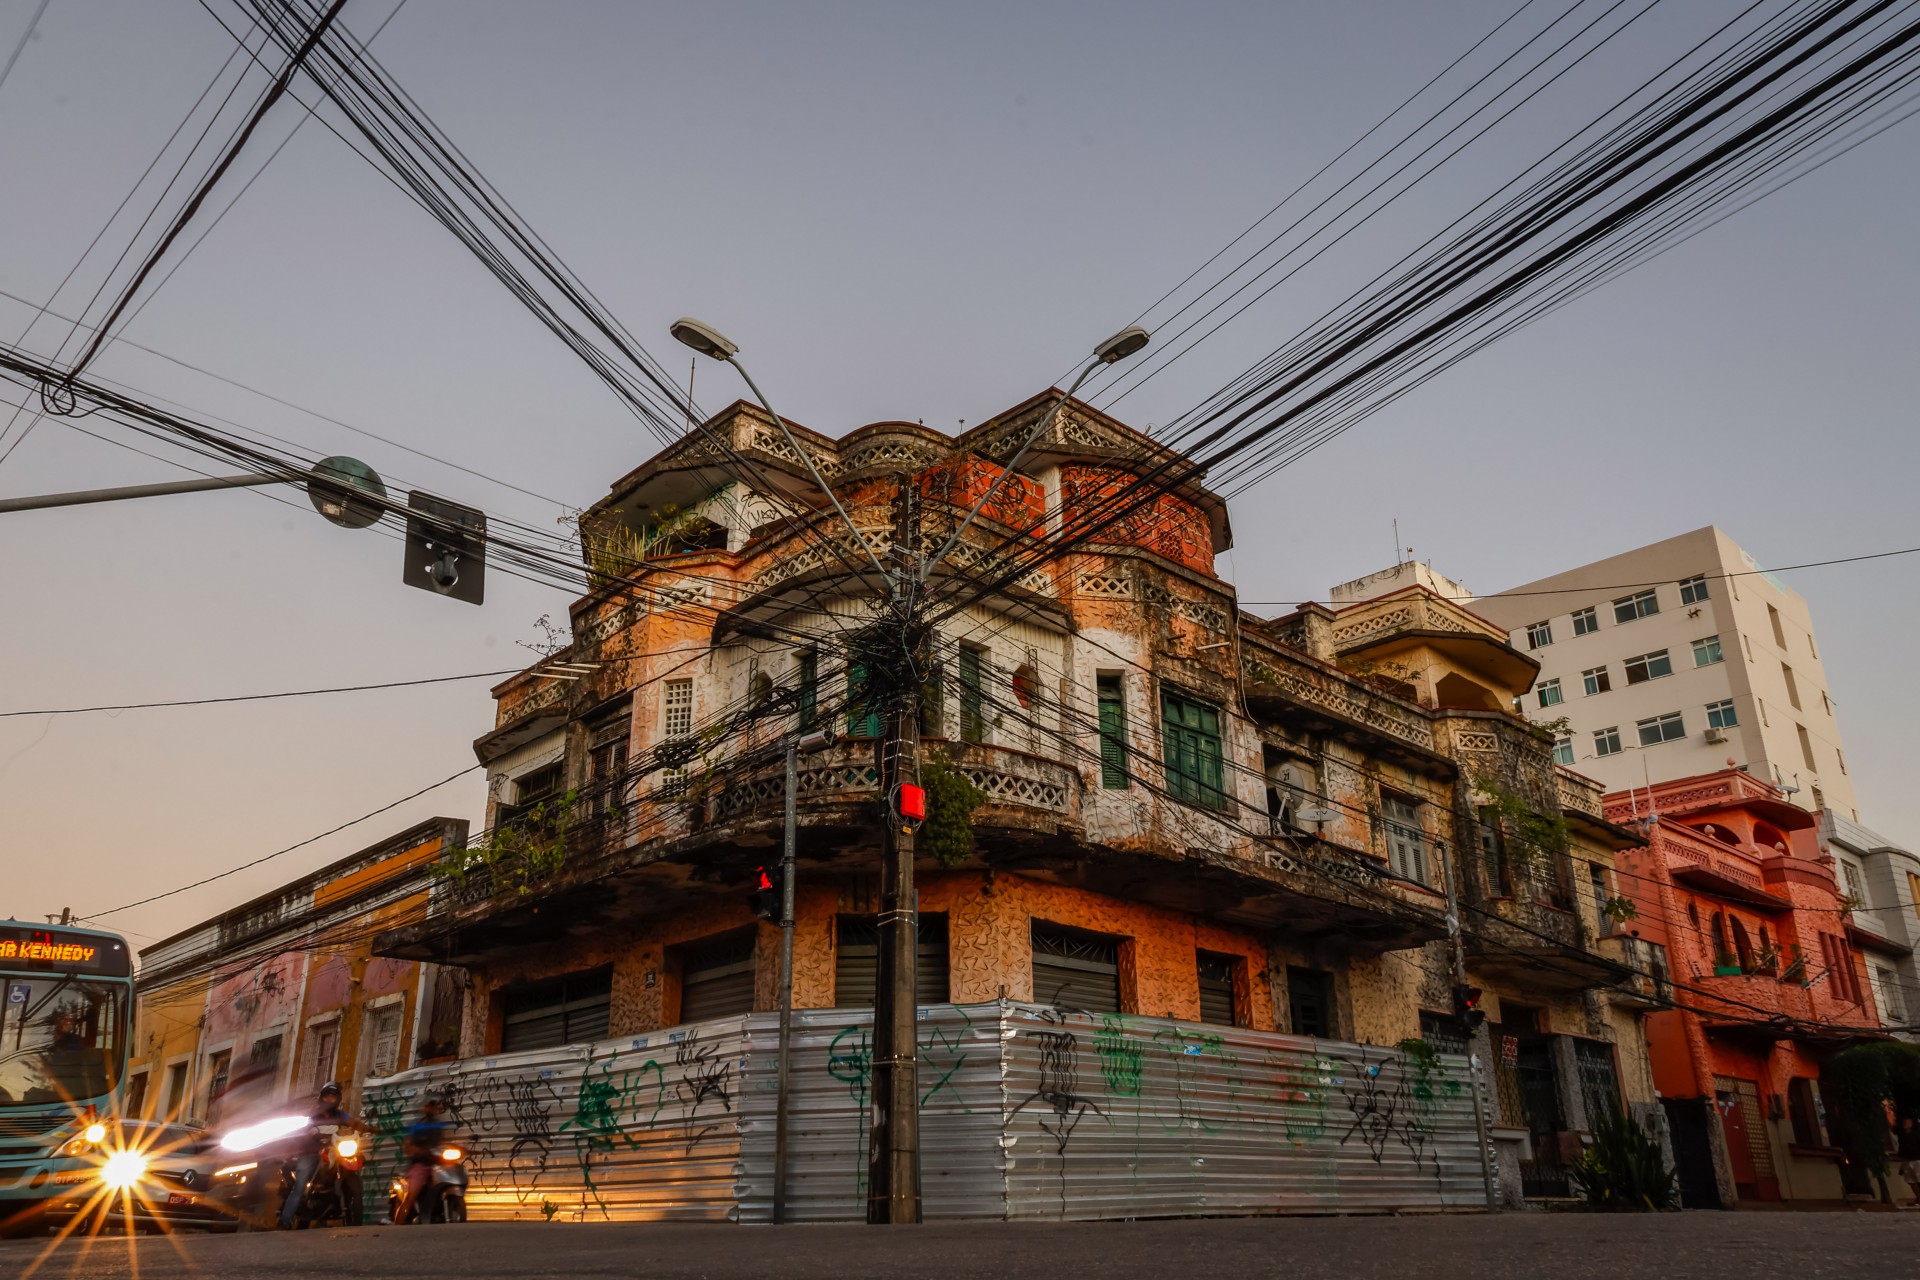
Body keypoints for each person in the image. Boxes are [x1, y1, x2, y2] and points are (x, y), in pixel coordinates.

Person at [278, 1081, 357, 1229]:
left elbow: (355, 1124)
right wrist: (308, 1136)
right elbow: (300, 1131)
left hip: (334, 1151)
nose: (329, 1100)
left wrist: (370, 1128)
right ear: (321, 1098)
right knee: (300, 1187)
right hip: (311, 1153)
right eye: (327, 1097)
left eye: (333, 1097)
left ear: (338, 1099)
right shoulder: (311, 1115)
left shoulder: (341, 1115)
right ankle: (285, 1221)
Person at [393, 1091, 453, 1224]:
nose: (433, 1108)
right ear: (425, 1107)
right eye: (431, 1105)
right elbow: (408, 1145)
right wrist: (416, 1150)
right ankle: (397, 1225)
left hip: (438, 1165)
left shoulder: (439, 1125)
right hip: (420, 1164)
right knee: (411, 1195)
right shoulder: (416, 1125)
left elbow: (444, 1143)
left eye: (435, 1106)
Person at [1897, 1115, 1920, 1205]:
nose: (1905, 1124)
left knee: (1918, 1180)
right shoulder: (1903, 1136)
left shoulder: (1917, 1134)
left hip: (1917, 1160)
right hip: (1907, 1160)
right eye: (1905, 1122)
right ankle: (1918, 1197)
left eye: (1908, 1122)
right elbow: (1902, 1149)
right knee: (1911, 1181)